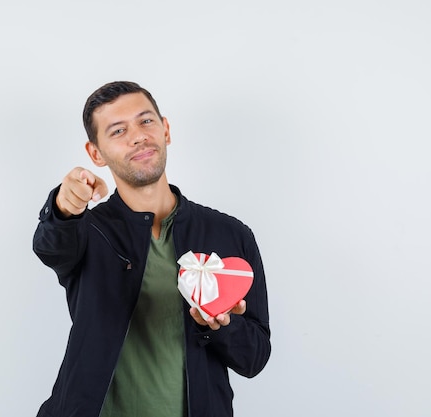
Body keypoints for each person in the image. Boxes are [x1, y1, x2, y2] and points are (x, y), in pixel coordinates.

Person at [33, 81, 271, 417]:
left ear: (166, 130)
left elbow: (255, 358)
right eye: (118, 130)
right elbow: (50, 247)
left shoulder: (230, 234)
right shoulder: (87, 230)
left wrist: (222, 326)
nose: (137, 136)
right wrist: (63, 207)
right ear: (96, 154)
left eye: (146, 121)